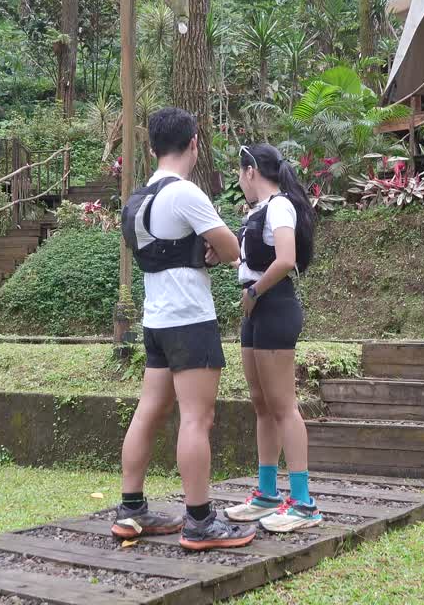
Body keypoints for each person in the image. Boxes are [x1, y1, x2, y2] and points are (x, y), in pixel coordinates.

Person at [112, 107, 256, 551]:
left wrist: (200, 250)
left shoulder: (144, 195)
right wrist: (214, 250)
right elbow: (232, 247)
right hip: (190, 319)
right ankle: (200, 521)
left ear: (153, 148)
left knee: (149, 411)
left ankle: (131, 509)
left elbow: (172, 248)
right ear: (194, 142)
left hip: (156, 319)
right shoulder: (185, 193)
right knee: (197, 417)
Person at [224, 143, 322, 533]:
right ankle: (267, 493)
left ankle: (303, 502)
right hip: (257, 309)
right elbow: (255, 261)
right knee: (262, 404)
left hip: (273, 306)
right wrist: (229, 261)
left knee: (284, 406)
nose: (238, 180)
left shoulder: (280, 206)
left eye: (239, 173)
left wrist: (253, 292)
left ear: (251, 171)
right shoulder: (258, 212)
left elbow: (285, 259)